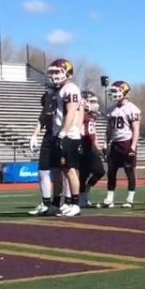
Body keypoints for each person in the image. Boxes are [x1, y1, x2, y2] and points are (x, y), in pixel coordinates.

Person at [46, 59, 84, 217]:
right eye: (52, 72)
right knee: (62, 170)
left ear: (67, 73)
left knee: (70, 170)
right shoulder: (58, 90)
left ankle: (75, 203)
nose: (54, 75)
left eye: (57, 72)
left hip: (69, 134)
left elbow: (72, 112)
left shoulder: (71, 88)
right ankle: (66, 203)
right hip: (60, 133)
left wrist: (63, 133)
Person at [102, 80, 140, 208]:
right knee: (111, 172)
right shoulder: (111, 109)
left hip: (127, 142)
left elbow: (136, 129)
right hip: (115, 143)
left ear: (124, 92)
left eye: (116, 91)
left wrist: (133, 146)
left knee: (129, 171)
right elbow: (109, 129)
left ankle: (130, 198)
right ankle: (110, 198)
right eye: (112, 91)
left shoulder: (132, 109)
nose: (113, 94)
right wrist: (105, 143)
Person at [28, 90, 62, 216]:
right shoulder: (48, 95)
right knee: (43, 170)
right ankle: (46, 204)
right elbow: (43, 116)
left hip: (62, 134)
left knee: (60, 171)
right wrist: (34, 135)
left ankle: (61, 203)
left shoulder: (66, 92)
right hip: (49, 136)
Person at [77, 91, 106, 209]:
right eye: (92, 101)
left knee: (99, 171)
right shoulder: (80, 113)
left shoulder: (92, 114)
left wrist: (98, 147)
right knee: (83, 174)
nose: (95, 104)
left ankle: (85, 193)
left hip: (91, 145)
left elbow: (93, 133)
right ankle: (81, 199)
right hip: (82, 143)